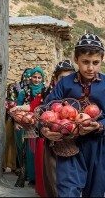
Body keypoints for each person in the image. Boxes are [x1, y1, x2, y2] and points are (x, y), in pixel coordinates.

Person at [40, 33, 105, 197]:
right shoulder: (64, 83)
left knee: (95, 191)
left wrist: (99, 125)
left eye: (95, 63)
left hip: (97, 146)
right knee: (67, 190)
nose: (90, 68)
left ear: (102, 60)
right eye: (85, 62)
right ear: (76, 59)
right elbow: (47, 109)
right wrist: (44, 129)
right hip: (68, 145)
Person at [10, 60, 76, 197]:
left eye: (69, 78)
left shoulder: (75, 94)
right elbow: (35, 107)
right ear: (55, 78)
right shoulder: (46, 92)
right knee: (51, 175)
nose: (66, 82)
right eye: (62, 78)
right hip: (49, 138)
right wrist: (19, 109)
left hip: (72, 140)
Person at [14, 66, 45, 188]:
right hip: (26, 125)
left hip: (41, 125)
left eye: (39, 77)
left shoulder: (45, 91)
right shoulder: (24, 92)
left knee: (40, 150)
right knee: (28, 151)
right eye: (34, 77)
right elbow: (18, 107)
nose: (37, 80)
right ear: (30, 77)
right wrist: (17, 122)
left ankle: (39, 177)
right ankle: (29, 176)